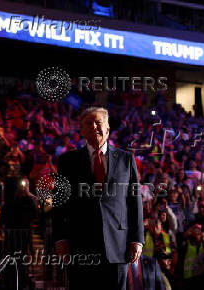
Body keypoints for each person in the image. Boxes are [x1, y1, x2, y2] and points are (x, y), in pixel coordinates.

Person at [52, 107, 144, 290]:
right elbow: (59, 203)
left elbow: (134, 201)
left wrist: (137, 239)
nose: (94, 126)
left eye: (98, 122)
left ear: (108, 128)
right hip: (80, 245)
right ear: (82, 130)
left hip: (119, 245)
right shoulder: (67, 162)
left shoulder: (126, 160)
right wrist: (60, 238)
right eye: (88, 123)